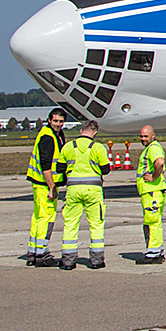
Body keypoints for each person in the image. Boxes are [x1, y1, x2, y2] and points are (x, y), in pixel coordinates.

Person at [53, 121, 110, 269]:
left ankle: (68, 261)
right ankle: (97, 260)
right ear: (95, 132)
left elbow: (59, 168)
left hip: (73, 190)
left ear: (80, 131)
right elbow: (105, 170)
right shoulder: (98, 148)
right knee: (96, 224)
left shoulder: (68, 147)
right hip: (93, 190)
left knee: (70, 224)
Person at [25, 109, 65, 266]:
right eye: (55, 121)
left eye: (60, 122)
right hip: (44, 183)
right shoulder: (48, 137)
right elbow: (46, 165)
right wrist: (51, 187)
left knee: (37, 217)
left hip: (39, 182)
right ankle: (41, 253)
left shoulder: (52, 134)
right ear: (49, 120)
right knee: (46, 218)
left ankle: (33, 252)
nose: (58, 124)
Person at [135, 124, 166, 263]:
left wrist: (154, 177)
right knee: (156, 222)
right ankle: (158, 251)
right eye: (141, 136)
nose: (143, 139)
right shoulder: (150, 148)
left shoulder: (153, 148)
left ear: (153, 136)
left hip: (151, 192)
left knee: (151, 222)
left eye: (145, 136)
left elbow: (159, 162)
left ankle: (152, 254)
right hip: (153, 191)